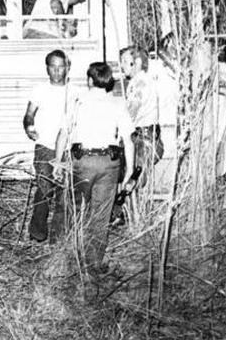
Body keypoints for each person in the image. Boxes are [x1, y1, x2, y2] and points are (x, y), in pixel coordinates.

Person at [55, 61, 134, 273]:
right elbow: (128, 140)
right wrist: (128, 171)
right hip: (109, 163)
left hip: (83, 161)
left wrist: (58, 162)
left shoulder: (77, 101)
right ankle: (93, 264)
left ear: (90, 80)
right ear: (108, 81)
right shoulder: (118, 103)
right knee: (100, 214)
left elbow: (63, 134)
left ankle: (70, 258)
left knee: (75, 209)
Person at [110, 45, 167, 225]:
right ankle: (126, 215)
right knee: (126, 174)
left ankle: (133, 219)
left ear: (138, 62)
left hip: (145, 139)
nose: (122, 66)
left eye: (126, 62)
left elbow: (131, 113)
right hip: (145, 136)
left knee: (131, 177)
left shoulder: (140, 83)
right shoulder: (139, 81)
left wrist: (117, 128)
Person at [23, 50, 73, 242]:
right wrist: (28, 126)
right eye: (53, 66)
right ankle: (37, 232)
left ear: (67, 68)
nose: (57, 71)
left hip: (67, 149)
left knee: (64, 191)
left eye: (61, 67)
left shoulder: (74, 91)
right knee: (44, 188)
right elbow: (29, 114)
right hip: (45, 147)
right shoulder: (39, 90)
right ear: (47, 68)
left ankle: (58, 235)